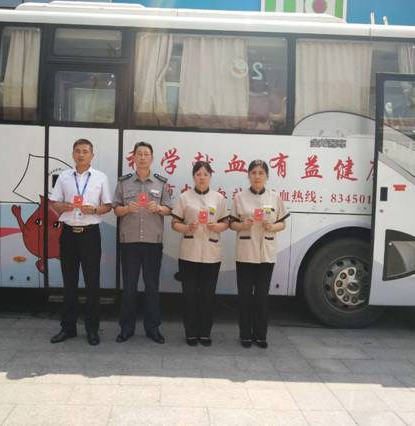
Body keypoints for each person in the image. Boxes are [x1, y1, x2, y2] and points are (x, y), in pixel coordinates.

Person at [49, 138, 112, 345]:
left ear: (92, 155)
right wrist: (62, 207)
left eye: (85, 151)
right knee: (69, 283)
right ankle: (68, 328)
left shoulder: (100, 178)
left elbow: (108, 206)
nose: (81, 155)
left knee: (92, 284)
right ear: (73, 154)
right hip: (68, 234)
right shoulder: (64, 177)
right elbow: (54, 203)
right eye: (78, 151)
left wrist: (94, 209)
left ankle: (92, 330)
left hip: (90, 235)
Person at [113, 141, 171, 344]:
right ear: (134, 158)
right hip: (129, 242)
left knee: (152, 287)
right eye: (139, 154)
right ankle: (126, 329)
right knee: (129, 287)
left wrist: (159, 209)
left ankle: (152, 329)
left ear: (152, 158)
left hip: (152, 242)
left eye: (146, 154)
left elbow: (169, 209)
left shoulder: (161, 183)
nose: (143, 157)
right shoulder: (124, 183)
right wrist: (127, 209)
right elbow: (116, 209)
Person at [229, 160, 289, 349]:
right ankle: (245, 335)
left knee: (262, 296)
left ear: (267, 176)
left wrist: (272, 226)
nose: (257, 176)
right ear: (248, 175)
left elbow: (283, 223)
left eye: (261, 173)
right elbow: (231, 224)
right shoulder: (239, 197)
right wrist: (242, 225)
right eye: (253, 172)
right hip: (246, 252)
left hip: (266, 254)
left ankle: (261, 335)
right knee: (245, 296)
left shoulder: (274, 197)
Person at [171, 161, 228, 347]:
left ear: (210, 176)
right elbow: (174, 223)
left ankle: (205, 333)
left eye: (205, 174)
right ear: (193, 177)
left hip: (211, 254)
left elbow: (226, 223)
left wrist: (216, 226)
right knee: (189, 296)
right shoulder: (184, 197)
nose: (202, 178)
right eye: (198, 174)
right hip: (189, 254)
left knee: (207, 295)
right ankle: (190, 332)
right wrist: (187, 227)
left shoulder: (218, 198)